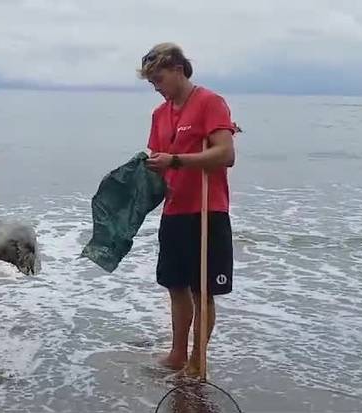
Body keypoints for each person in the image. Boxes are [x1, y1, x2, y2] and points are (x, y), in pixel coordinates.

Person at [139, 43, 237, 374]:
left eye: (159, 78)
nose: (156, 86)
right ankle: (178, 352)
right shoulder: (159, 114)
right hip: (174, 210)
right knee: (175, 286)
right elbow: (157, 158)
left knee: (203, 290)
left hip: (208, 210)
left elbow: (226, 154)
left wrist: (177, 160)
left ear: (178, 69)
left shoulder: (210, 102)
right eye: (152, 82)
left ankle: (198, 357)